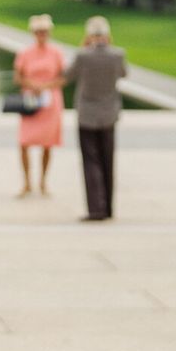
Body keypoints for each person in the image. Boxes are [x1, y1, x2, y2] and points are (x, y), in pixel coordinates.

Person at [70, 16, 127, 220]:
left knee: (90, 161)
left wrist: (84, 48)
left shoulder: (82, 55)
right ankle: (108, 207)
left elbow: (69, 75)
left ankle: (96, 208)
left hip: (87, 114)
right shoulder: (118, 55)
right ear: (107, 35)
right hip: (109, 114)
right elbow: (122, 74)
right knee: (107, 161)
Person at [13, 14, 67, 197]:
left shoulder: (56, 53)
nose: (41, 34)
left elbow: (63, 77)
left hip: (50, 101)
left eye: (44, 32)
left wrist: (46, 86)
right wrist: (31, 85)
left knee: (47, 143)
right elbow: (18, 77)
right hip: (31, 101)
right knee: (24, 142)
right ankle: (26, 182)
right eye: (38, 32)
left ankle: (43, 182)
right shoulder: (25, 53)